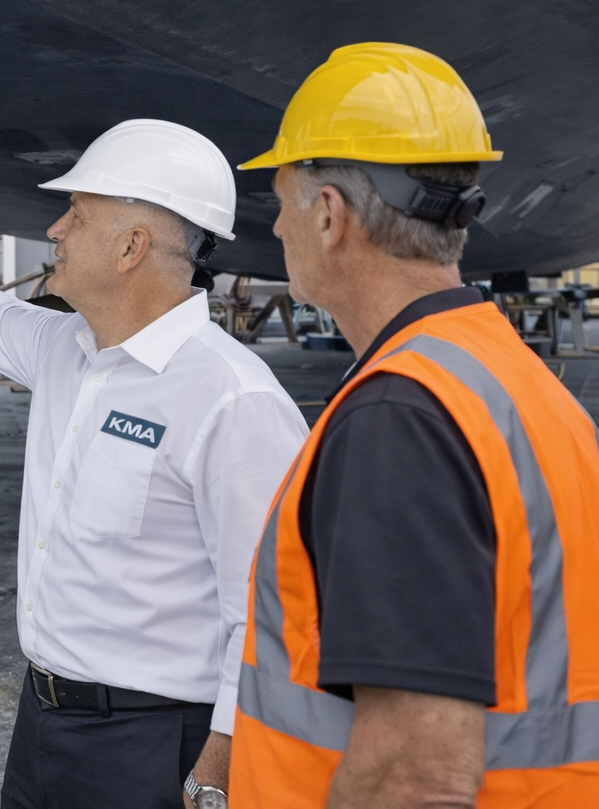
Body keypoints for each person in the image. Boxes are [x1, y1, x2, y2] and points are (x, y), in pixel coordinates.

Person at [0, 120, 308, 809]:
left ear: (131, 248)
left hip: (154, 743)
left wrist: (218, 770)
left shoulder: (232, 399)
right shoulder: (62, 348)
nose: (54, 230)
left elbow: (271, 613)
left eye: (75, 215)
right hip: (44, 719)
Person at [229, 42, 599, 807]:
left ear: (328, 214)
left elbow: (415, 775)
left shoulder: (401, 418)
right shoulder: (513, 379)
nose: (273, 230)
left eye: (281, 202)